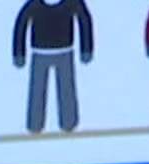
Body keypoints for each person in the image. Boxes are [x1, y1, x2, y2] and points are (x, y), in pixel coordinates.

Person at [12, 0, 95, 134]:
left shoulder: (72, 2)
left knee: (66, 88)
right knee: (37, 89)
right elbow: (21, 24)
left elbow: (84, 20)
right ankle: (35, 124)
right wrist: (19, 53)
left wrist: (86, 49)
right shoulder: (34, 4)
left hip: (64, 52)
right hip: (40, 53)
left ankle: (69, 122)